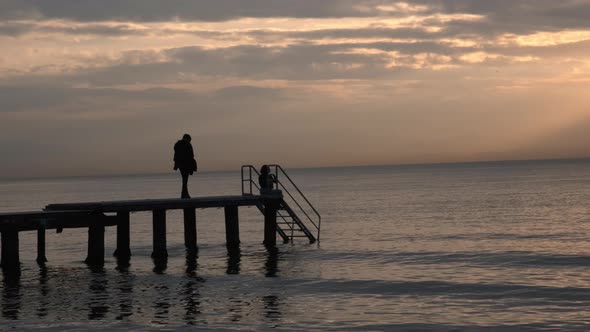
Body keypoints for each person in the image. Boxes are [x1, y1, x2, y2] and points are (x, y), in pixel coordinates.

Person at [173, 134, 197, 198]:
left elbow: (176, 155)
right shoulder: (188, 144)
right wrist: (192, 166)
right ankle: (184, 194)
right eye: (190, 140)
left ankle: (184, 194)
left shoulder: (177, 144)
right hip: (186, 164)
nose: (190, 141)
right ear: (188, 138)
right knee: (185, 180)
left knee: (184, 179)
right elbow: (191, 155)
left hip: (180, 164)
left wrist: (176, 165)